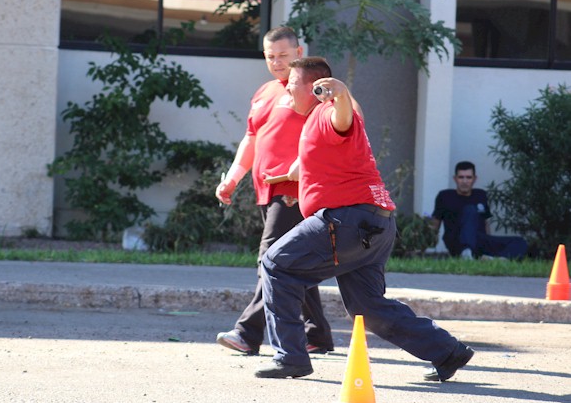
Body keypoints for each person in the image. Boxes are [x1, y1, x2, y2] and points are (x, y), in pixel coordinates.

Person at [254, 57, 474, 383]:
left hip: (345, 220)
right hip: (374, 222)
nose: (286, 89)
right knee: (366, 307)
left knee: (275, 264)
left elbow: (342, 118)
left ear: (316, 88)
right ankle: (447, 351)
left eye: (293, 83)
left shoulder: (328, 112)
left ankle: (291, 357)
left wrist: (341, 92)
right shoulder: (315, 122)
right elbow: (311, 166)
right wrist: (291, 184)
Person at [214, 27, 334, 356]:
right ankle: (317, 334)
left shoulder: (311, 89)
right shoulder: (265, 91)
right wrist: (233, 178)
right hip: (266, 190)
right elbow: (252, 138)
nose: (277, 62)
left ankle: (247, 333)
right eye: (270, 56)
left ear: (299, 52)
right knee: (293, 261)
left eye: (283, 55)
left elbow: (328, 131)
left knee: (271, 259)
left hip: (294, 190)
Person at [431, 161, 528, 259]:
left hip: (479, 240)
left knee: (519, 242)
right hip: (457, 240)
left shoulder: (480, 195)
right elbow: (435, 224)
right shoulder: (445, 196)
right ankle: (466, 254)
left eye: (469, 177)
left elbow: (485, 222)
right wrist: (428, 242)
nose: (464, 181)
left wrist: (489, 240)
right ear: (455, 179)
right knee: (470, 210)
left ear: (475, 179)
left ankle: (498, 259)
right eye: (461, 177)